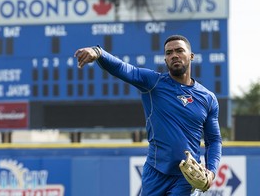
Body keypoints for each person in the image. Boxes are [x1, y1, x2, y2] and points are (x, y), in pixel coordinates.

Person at [74, 35, 222, 195]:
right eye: (169, 53)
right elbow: (123, 69)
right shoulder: (154, 83)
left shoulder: (208, 98)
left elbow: (213, 140)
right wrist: (98, 53)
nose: (174, 55)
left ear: (191, 56)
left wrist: (211, 172)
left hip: (186, 176)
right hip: (155, 172)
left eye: (179, 50)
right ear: (165, 60)